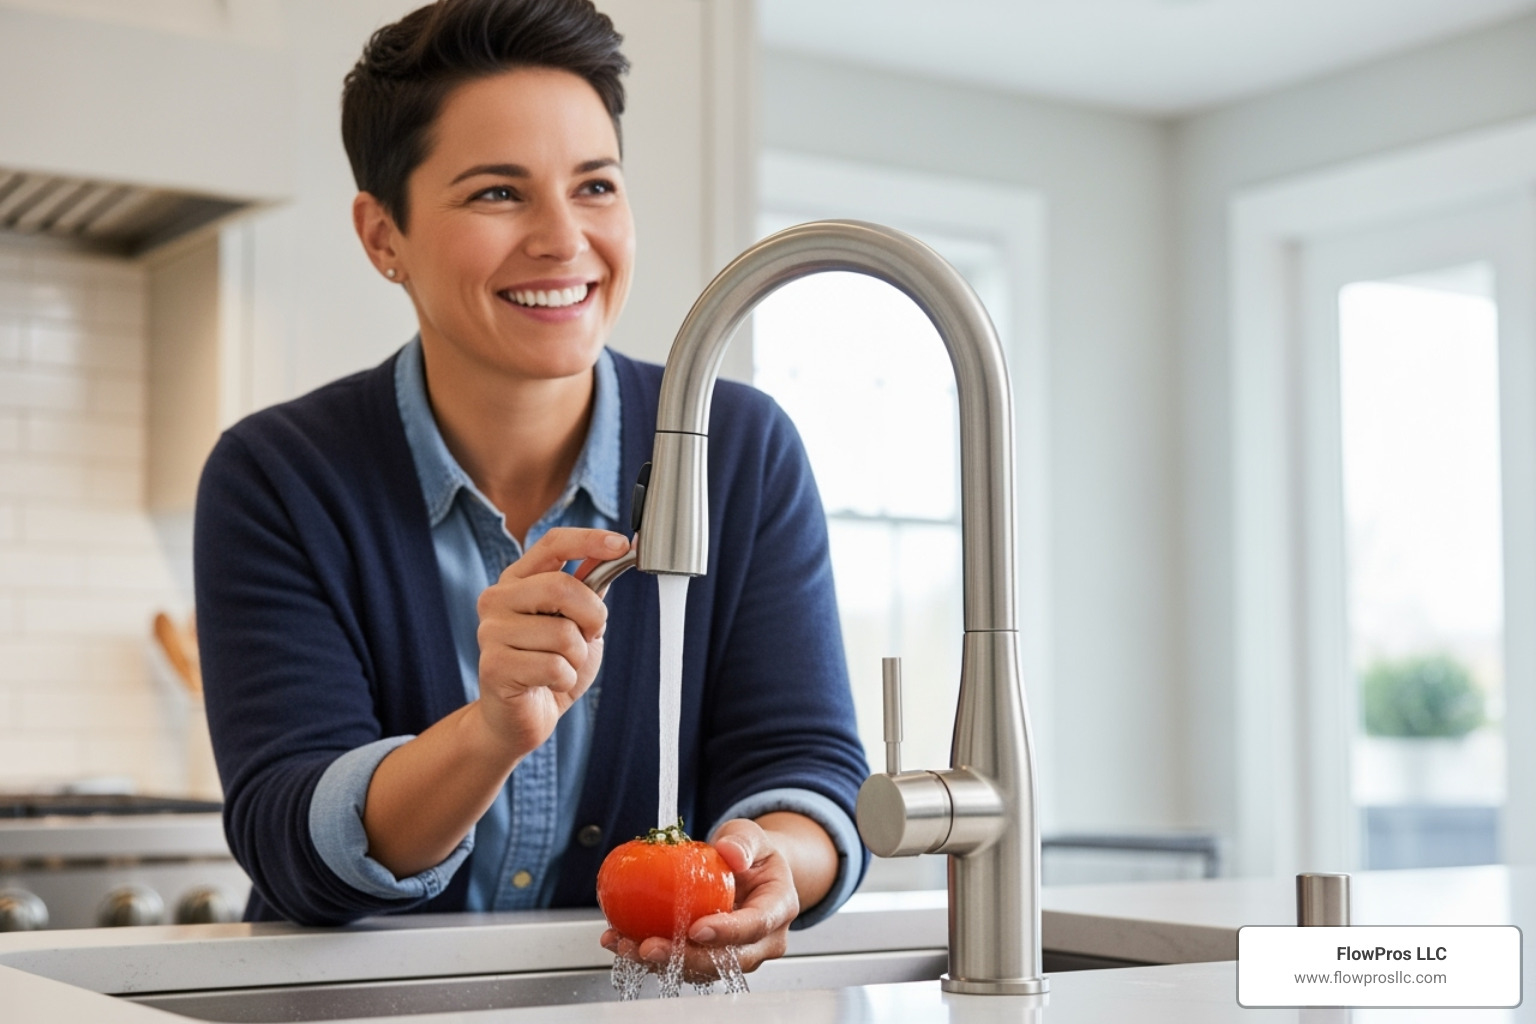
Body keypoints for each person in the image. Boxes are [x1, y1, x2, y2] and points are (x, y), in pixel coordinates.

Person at [193, 0, 867, 979]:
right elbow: (291, 834)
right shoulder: (280, 476)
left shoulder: (740, 451)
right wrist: (488, 730)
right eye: (498, 194)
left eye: (595, 185)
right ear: (384, 235)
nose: (564, 239)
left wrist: (772, 864)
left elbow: (802, 765)